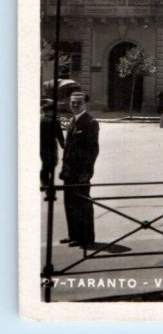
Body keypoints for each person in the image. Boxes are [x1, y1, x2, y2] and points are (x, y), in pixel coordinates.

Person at [59, 92, 100, 249]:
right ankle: (73, 235)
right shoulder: (72, 121)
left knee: (82, 204)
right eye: (72, 102)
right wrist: (64, 168)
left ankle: (86, 237)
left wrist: (87, 172)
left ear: (85, 104)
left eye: (78, 103)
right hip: (69, 171)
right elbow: (68, 148)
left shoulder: (90, 122)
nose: (75, 105)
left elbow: (93, 150)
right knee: (69, 203)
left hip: (81, 172)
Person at [40, 99, 64, 188]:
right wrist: (63, 145)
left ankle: (44, 181)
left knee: (45, 163)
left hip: (42, 147)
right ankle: (49, 182)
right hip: (52, 146)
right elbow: (59, 135)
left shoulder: (40, 120)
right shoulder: (54, 121)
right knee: (53, 163)